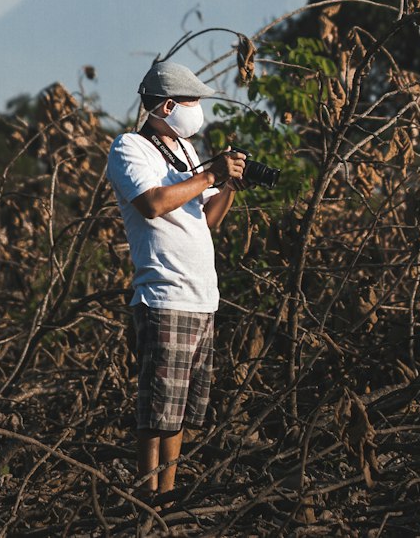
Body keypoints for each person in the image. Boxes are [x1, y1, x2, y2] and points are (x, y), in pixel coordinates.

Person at [106, 59, 246, 505]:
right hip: (164, 295)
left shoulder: (185, 152)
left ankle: (168, 492)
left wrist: (228, 185)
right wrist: (209, 175)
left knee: (181, 410)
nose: (197, 109)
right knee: (157, 409)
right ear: (167, 105)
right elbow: (152, 204)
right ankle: (148, 497)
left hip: (202, 299)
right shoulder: (130, 147)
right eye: (192, 101)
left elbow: (207, 219)